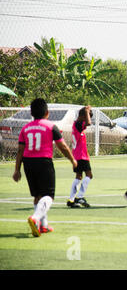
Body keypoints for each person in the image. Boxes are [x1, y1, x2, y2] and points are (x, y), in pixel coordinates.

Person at [12, 98, 77, 237]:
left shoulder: (25, 128)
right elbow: (63, 146)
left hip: (28, 163)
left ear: (32, 113)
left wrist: (17, 170)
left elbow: (20, 151)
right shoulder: (50, 126)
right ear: (47, 113)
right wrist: (72, 160)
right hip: (44, 162)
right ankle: (35, 219)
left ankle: (43, 226)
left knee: (37, 196)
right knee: (48, 196)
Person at [67, 106, 93, 208]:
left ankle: (71, 199)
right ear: (82, 116)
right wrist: (87, 111)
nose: (88, 119)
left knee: (79, 176)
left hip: (77, 155)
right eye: (87, 116)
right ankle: (80, 196)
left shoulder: (76, 124)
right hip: (81, 156)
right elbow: (88, 123)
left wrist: (87, 112)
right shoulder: (78, 124)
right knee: (89, 175)